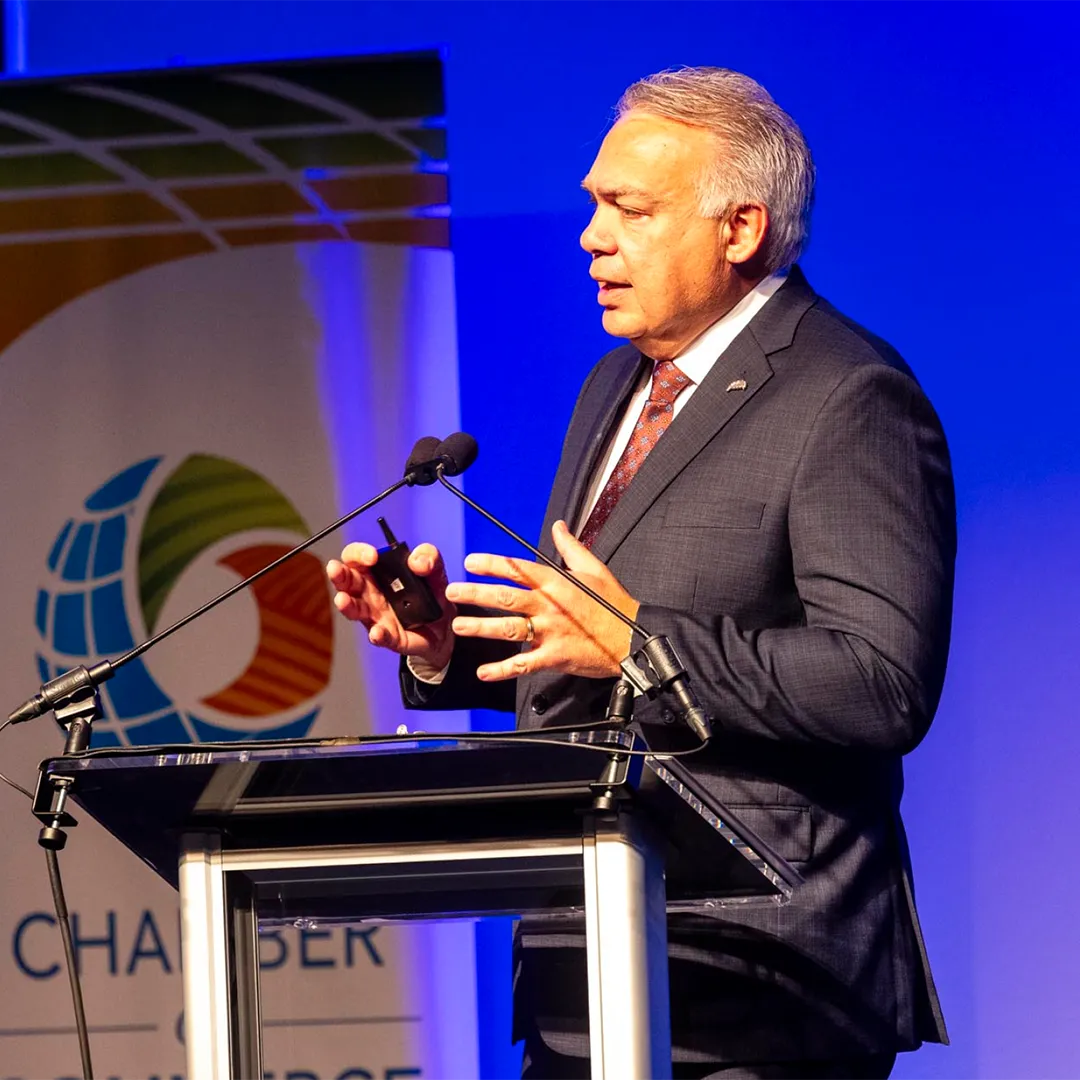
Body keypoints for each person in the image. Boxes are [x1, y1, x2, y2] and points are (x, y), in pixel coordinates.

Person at [327, 67, 955, 1080]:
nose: (591, 236)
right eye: (593, 205)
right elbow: (588, 648)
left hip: (763, 991)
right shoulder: (616, 384)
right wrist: (448, 648)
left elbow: (882, 680)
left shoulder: (851, 397)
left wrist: (641, 642)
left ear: (739, 228)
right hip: (590, 977)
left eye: (629, 209)